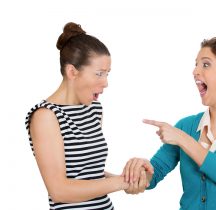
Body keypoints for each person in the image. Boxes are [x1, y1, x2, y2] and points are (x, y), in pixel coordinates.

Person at [123, 37, 216, 209]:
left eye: (205, 64)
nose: (195, 71)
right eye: (196, 64)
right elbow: (154, 174)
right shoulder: (186, 126)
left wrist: (183, 139)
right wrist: (136, 174)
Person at [25, 22, 149, 210]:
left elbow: (90, 175)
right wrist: (120, 183)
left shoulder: (93, 110)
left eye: (107, 74)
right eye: (99, 74)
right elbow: (59, 190)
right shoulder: (46, 116)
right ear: (72, 72)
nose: (106, 83)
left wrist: (129, 178)